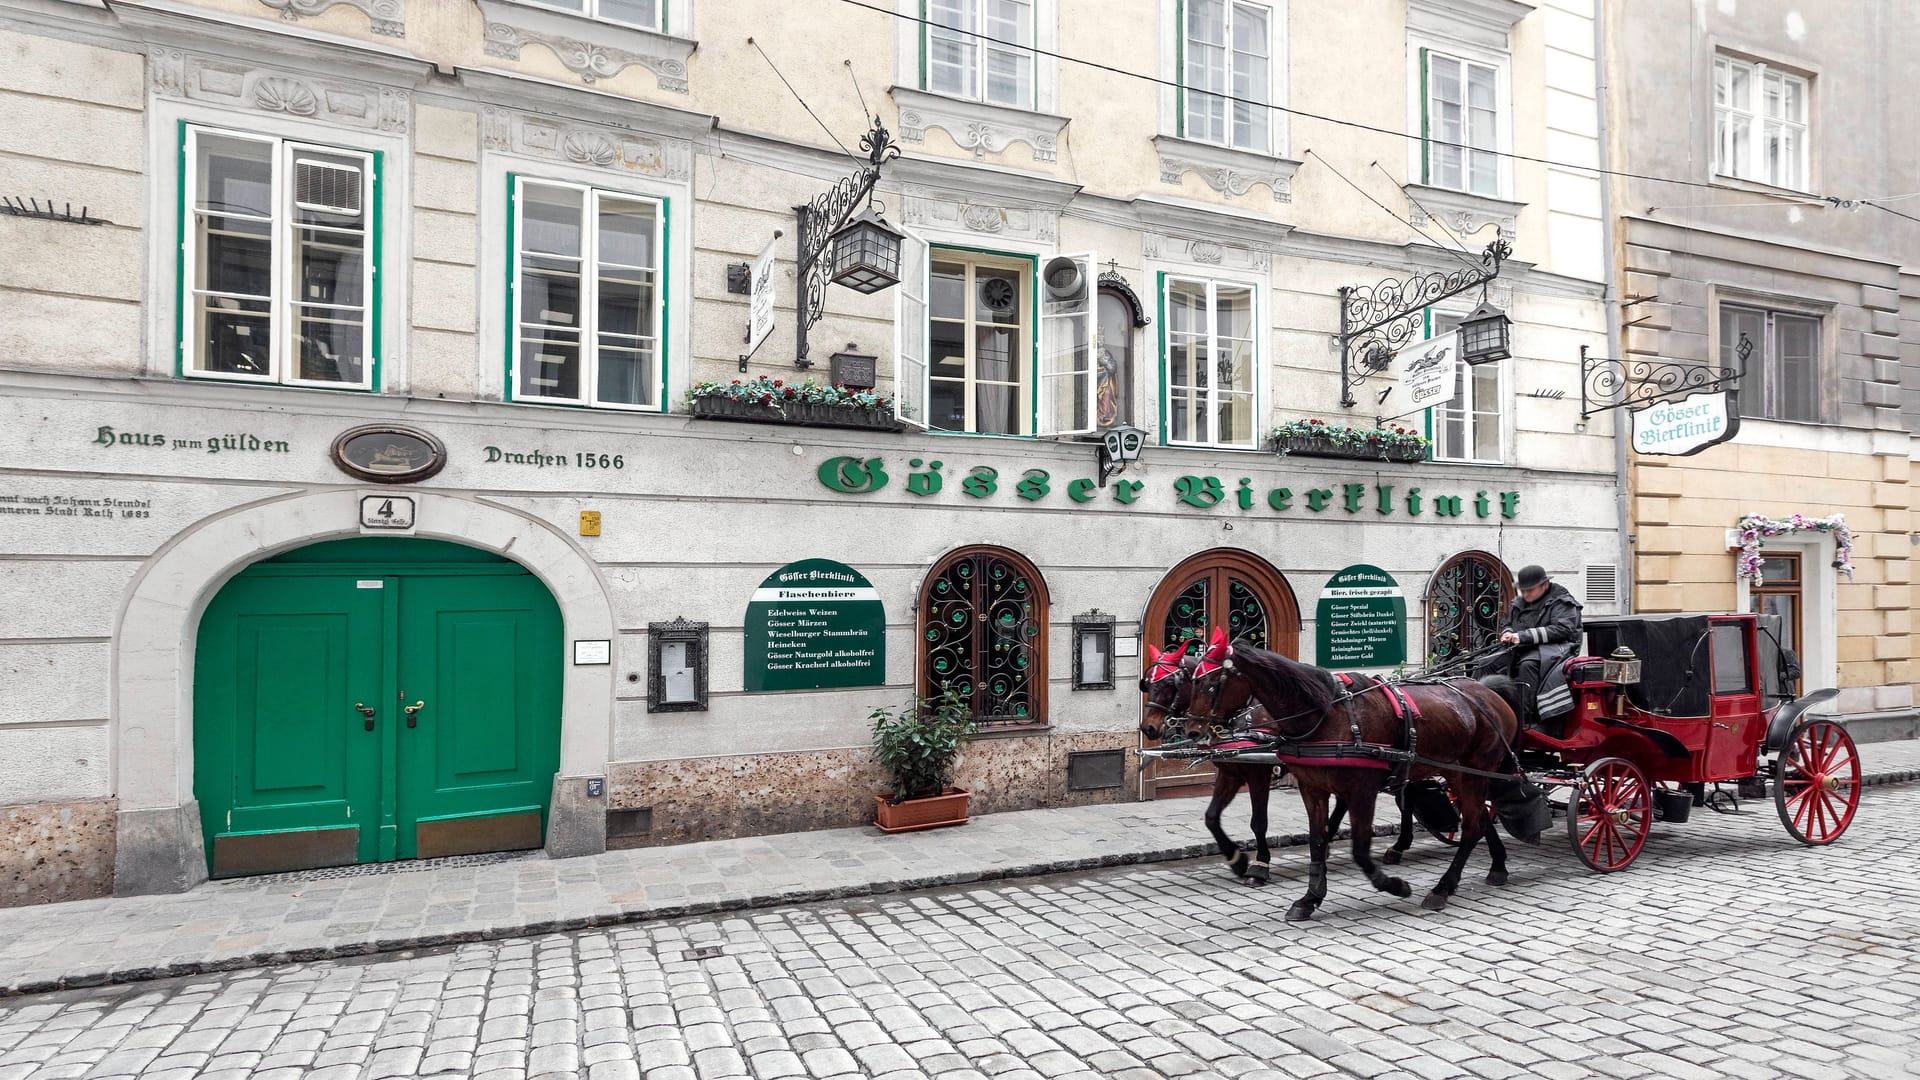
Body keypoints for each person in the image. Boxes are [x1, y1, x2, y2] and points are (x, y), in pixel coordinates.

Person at [1496, 565, 1583, 729]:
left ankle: (1526, 719)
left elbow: (1563, 629)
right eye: (1523, 590)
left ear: (1544, 585)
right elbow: (1508, 624)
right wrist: (1507, 633)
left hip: (1555, 649)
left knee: (1528, 665)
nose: (1525, 594)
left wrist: (1522, 636)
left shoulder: (1563, 601)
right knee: (1488, 662)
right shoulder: (1518, 602)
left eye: (1530, 590)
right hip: (1521, 646)